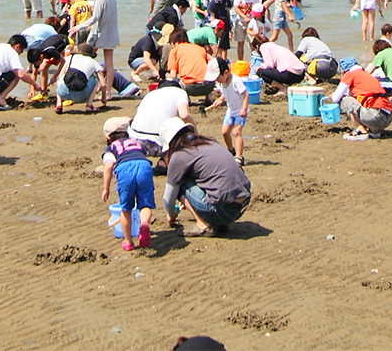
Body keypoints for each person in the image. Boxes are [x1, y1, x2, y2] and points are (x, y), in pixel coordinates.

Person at [159, 119, 252, 237]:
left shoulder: (179, 156)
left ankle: (202, 224)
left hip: (223, 210)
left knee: (180, 183)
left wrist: (172, 214)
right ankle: (218, 222)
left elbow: (168, 199)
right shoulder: (209, 142)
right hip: (242, 205)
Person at [100, 118, 156, 251]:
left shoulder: (111, 148)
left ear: (108, 137)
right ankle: (144, 224)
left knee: (126, 209)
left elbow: (108, 167)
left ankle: (128, 241)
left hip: (125, 169)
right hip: (144, 166)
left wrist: (106, 188)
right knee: (145, 204)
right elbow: (149, 150)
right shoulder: (136, 143)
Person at [331, 65, 392, 140]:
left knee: (344, 100)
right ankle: (374, 131)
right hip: (388, 117)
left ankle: (361, 130)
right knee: (366, 102)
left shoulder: (349, 74)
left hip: (375, 117)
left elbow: (335, 99)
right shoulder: (367, 75)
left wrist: (331, 96)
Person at [212, 60, 249, 163]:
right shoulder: (222, 82)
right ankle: (230, 150)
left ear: (226, 72)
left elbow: (245, 94)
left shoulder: (236, 80)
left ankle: (239, 156)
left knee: (236, 132)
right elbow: (226, 92)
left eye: (218, 77)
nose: (217, 80)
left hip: (240, 111)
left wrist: (244, 109)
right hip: (231, 110)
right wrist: (220, 99)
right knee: (224, 132)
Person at [55, 42, 105, 114]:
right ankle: (89, 105)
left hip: (63, 92)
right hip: (81, 95)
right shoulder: (94, 63)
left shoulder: (70, 58)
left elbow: (60, 76)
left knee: (62, 77)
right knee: (95, 79)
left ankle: (59, 102)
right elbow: (103, 84)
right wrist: (103, 97)